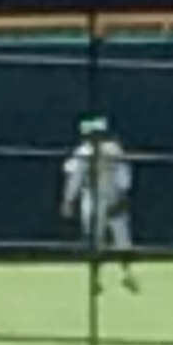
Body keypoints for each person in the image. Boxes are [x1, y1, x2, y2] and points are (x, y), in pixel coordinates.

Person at [59, 116, 139, 291]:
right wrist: (68, 200)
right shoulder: (83, 153)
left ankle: (128, 275)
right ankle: (95, 280)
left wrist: (123, 196)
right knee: (96, 242)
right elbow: (75, 178)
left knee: (123, 241)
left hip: (113, 196)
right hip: (93, 197)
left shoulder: (113, 151)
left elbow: (123, 174)